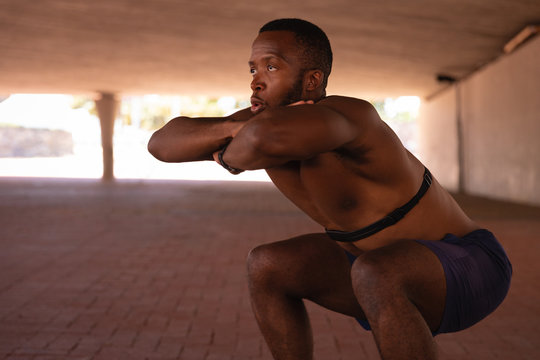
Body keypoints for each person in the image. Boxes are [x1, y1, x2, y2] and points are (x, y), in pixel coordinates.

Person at [148, 18, 512, 360]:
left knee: (375, 272)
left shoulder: (350, 116)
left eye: (271, 67)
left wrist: (230, 152)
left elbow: (264, 139)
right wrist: (231, 129)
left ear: (312, 80)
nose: (256, 81)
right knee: (267, 264)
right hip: (368, 265)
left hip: (468, 264)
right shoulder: (257, 120)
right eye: (253, 69)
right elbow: (162, 144)